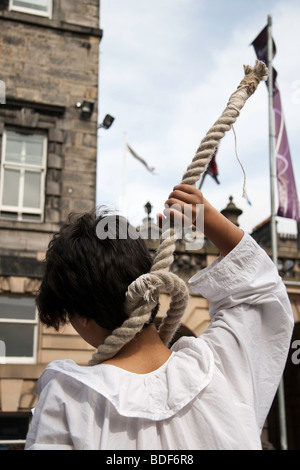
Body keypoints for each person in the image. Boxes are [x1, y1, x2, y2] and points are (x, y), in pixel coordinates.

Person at [25, 184, 294, 450]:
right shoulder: (219, 367)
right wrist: (208, 218)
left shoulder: (69, 400)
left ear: (81, 315)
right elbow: (262, 293)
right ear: (150, 281)